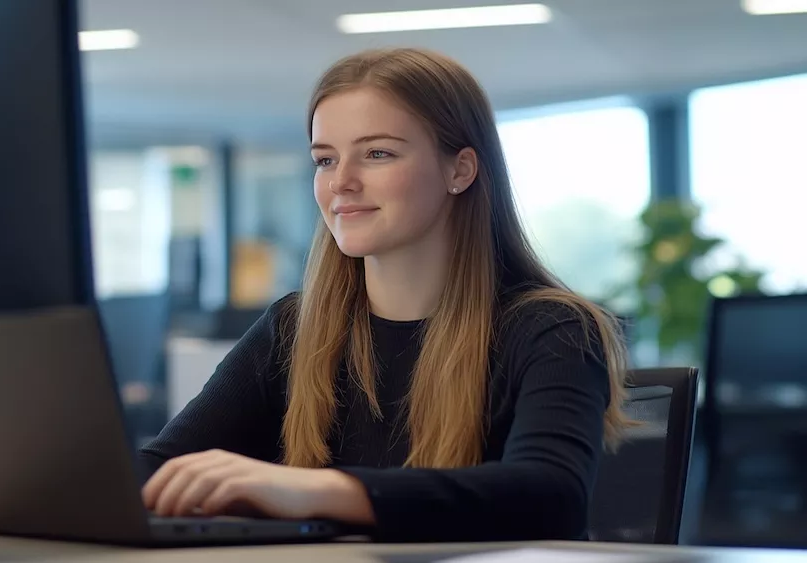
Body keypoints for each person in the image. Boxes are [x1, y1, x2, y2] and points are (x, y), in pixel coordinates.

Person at [138, 47, 634, 543]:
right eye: (324, 159)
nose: (341, 182)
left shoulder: (551, 329)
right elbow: (156, 470)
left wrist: (316, 490)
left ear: (460, 170)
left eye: (378, 153)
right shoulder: (293, 328)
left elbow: (551, 498)